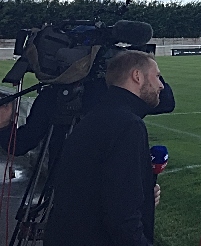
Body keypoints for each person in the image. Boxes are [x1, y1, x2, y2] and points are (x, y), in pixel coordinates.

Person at [44, 50, 164, 246]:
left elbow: (97, 188)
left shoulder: (98, 116)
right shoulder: (128, 125)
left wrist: (141, 196)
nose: (161, 85)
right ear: (137, 76)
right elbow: (122, 217)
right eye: (157, 76)